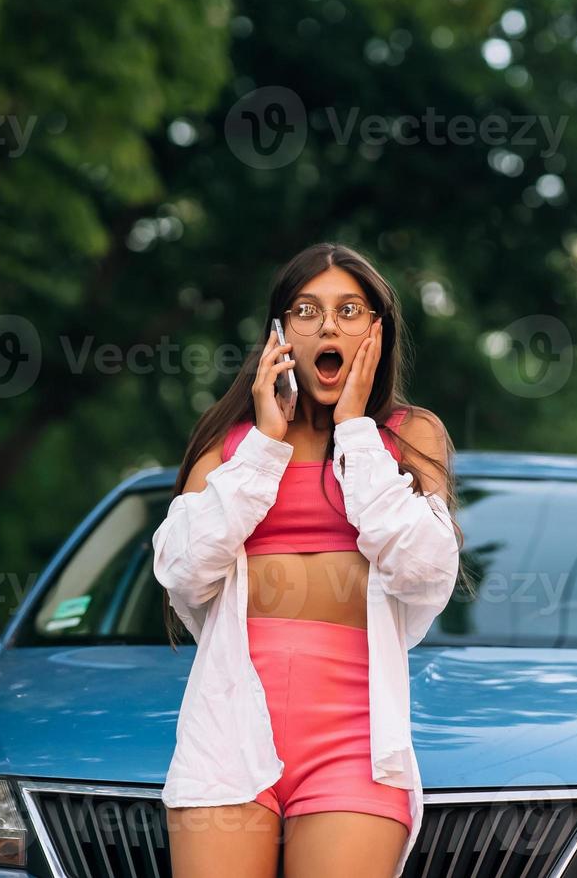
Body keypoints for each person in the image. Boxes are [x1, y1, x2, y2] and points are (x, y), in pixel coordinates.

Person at [152, 242, 468, 877]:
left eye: (350, 310)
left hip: (355, 738)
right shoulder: (231, 437)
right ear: (281, 333)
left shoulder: (409, 433)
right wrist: (267, 442)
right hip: (227, 729)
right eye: (306, 310)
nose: (328, 325)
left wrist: (356, 428)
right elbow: (183, 570)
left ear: (377, 331)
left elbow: (426, 568)